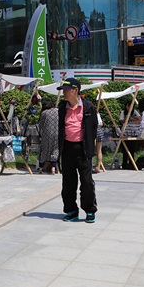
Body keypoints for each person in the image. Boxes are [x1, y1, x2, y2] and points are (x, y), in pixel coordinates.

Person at [57, 78, 98, 223]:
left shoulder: (88, 107)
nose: (64, 93)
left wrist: (89, 146)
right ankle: (71, 210)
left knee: (86, 181)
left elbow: (93, 127)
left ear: (76, 90)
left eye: (66, 90)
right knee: (68, 182)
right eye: (63, 91)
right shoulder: (62, 108)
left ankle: (89, 210)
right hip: (67, 148)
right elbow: (61, 127)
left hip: (83, 149)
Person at [37, 99, 59, 175]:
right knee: (55, 150)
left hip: (46, 134)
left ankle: (40, 168)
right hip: (57, 133)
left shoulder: (44, 113)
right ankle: (53, 167)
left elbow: (41, 125)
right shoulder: (57, 111)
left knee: (44, 150)